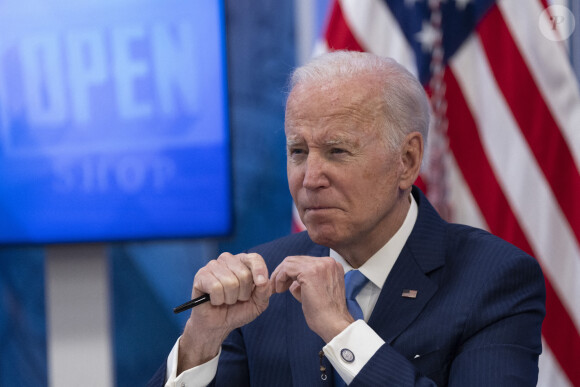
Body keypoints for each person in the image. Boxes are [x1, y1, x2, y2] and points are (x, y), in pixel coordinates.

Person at [149, 51, 545, 386]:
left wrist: (342, 331)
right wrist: (200, 341)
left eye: (337, 151)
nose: (310, 178)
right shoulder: (261, 279)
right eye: (298, 151)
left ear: (406, 161)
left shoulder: (495, 279)